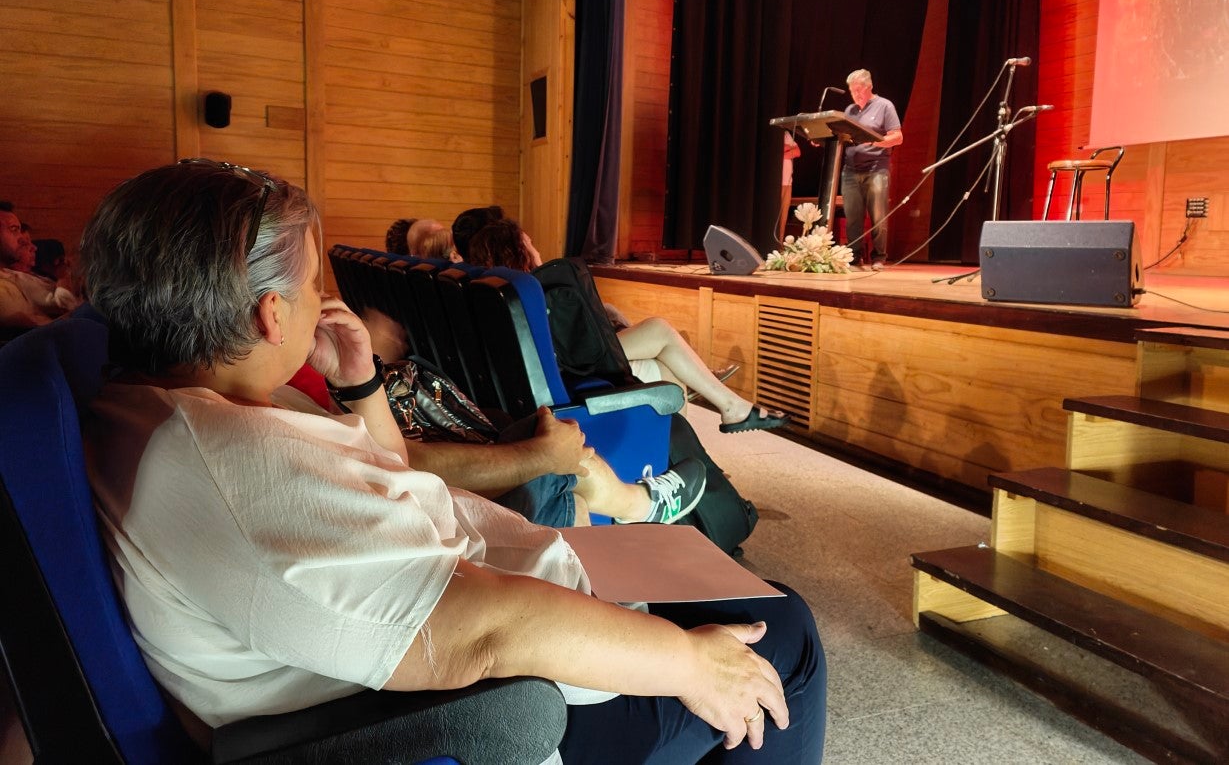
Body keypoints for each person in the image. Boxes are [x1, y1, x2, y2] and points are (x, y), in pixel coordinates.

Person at [79, 159, 826, 761]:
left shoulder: (167, 402)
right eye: (311, 286)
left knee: (723, 583)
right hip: (493, 703)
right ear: (269, 314)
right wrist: (687, 664)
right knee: (778, 630)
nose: (322, 300)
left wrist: (361, 382)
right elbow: (482, 631)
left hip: (515, 580)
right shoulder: (230, 460)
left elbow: (386, 475)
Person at [468, 218, 790, 435]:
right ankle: (723, 407)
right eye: (530, 243)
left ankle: (710, 413)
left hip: (553, 365)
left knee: (662, 363)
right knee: (661, 333)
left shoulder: (494, 288)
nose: (536, 249)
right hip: (566, 368)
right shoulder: (529, 285)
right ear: (517, 251)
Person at [841, 69, 903, 271]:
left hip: (877, 168)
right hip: (850, 170)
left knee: (878, 215)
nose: (856, 94)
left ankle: (879, 257)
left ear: (869, 87)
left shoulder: (884, 105)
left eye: (859, 90)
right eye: (852, 91)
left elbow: (897, 137)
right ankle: (854, 256)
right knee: (853, 217)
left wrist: (875, 142)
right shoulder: (850, 110)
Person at [0, 202, 77, 335]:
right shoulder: (4, 288)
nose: (22, 240)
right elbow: (37, 333)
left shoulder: (8, 277)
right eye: (13, 229)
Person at [779, 130, 802, 240]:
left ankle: (779, 244)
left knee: (783, 217)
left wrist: (783, 150)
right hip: (776, 181)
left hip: (787, 181)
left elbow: (797, 152)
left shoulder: (786, 133)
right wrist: (789, 147)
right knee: (774, 217)